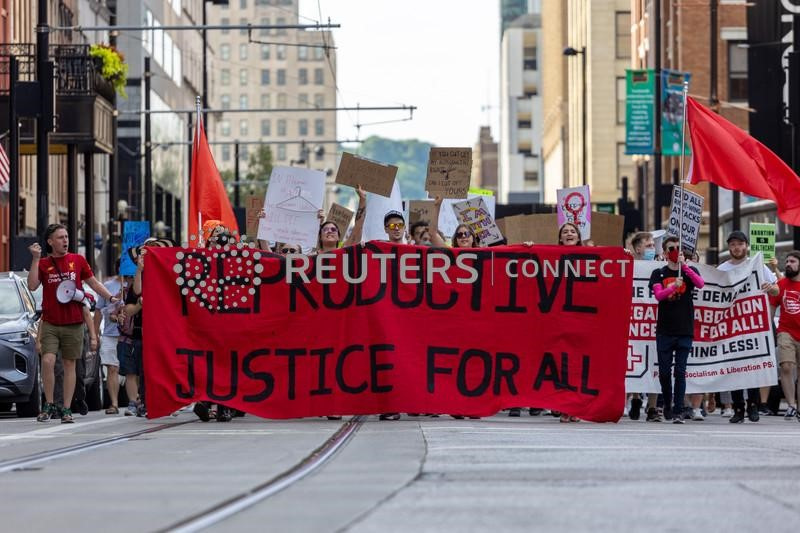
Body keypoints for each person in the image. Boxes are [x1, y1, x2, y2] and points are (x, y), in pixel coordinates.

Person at [27, 224, 116, 423]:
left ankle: (66, 408)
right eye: (60, 237)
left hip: (74, 323)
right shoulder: (43, 264)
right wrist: (34, 259)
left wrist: (110, 298)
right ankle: (48, 403)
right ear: (50, 241)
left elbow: (93, 283)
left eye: (66, 237)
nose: (65, 240)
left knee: (69, 365)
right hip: (50, 322)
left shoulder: (78, 260)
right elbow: (32, 285)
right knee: (48, 361)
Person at [718, 231, 777, 423]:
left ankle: (753, 406)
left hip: (753, 324)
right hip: (732, 324)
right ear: (729, 247)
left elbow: (776, 289)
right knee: (734, 366)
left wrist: (770, 287)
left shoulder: (757, 265)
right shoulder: (723, 268)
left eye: (740, 244)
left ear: (746, 246)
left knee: (752, 365)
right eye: (733, 244)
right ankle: (738, 408)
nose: (737, 247)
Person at [648, 235, 705, 424]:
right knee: (664, 372)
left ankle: (679, 409)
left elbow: (700, 284)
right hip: (665, 329)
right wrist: (673, 286)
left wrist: (686, 267)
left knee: (680, 371)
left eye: (677, 248)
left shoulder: (689, 271)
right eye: (670, 248)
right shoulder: (658, 273)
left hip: (684, 329)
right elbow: (659, 295)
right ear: (665, 253)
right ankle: (667, 403)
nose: (674, 251)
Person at [764, 251, 800, 422]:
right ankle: (791, 405)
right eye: (786, 261)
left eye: (792, 261)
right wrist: (765, 328)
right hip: (785, 332)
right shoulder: (781, 284)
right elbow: (771, 309)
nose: (788, 264)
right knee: (786, 366)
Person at [94, 258, 124, 415]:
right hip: (110, 334)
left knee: (133, 370)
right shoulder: (107, 286)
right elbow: (98, 310)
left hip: (130, 336)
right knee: (112, 368)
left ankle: (136, 399)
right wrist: (94, 334)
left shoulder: (138, 285)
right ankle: (114, 403)